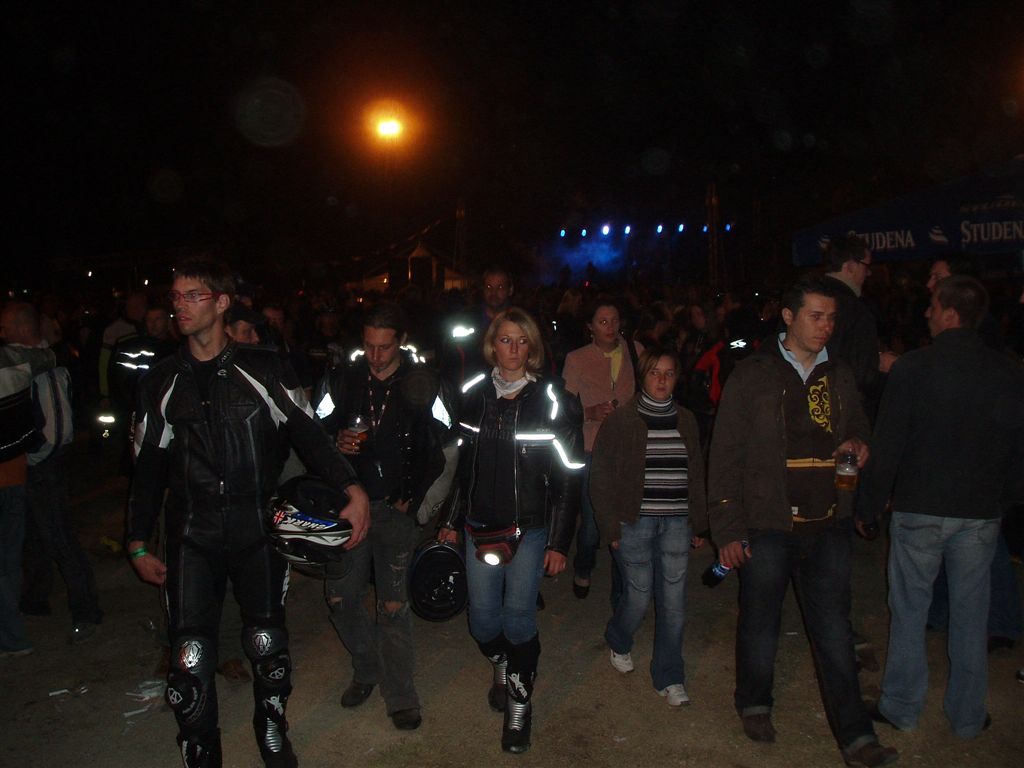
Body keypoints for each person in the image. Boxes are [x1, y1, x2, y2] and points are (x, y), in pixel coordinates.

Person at [126, 256, 370, 768]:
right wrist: (137, 541)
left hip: (256, 524)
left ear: (221, 303)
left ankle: (272, 727)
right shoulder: (161, 379)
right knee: (190, 655)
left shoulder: (264, 367)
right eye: (175, 296)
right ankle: (200, 747)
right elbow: (147, 467)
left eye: (193, 295)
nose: (180, 306)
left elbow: (308, 432)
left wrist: (351, 487)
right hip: (191, 530)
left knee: (266, 640)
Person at [708, 276, 897, 767]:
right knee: (760, 621)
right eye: (816, 316)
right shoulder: (754, 374)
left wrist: (859, 443)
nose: (825, 326)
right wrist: (727, 528)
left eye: (831, 317)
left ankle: (856, 738)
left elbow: (858, 424)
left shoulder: (839, 374)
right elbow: (724, 455)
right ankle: (754, 701)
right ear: (788, 316)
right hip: (769, 522)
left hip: (828, 520)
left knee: (834, 629)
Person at [857, 275, 1024, 740]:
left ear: (950, 313)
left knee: (910, 609)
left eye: (933, 304)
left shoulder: (915, 367)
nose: (926, 312)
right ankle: (967, 714)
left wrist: (869, 504)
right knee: (972, 614)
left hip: (921, 508)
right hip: (979, 512)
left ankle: (901, 706)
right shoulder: (1007, 371)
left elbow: (889, 443)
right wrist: (1003, 499)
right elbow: (1018, 447)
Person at [437, 307, 582, 754]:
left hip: (530, 529)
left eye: (522, 340)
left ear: (532, 346)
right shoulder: (473, 394)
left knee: (519, 620)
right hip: (478, 525)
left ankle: (520, 705)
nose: (514, 348)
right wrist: (450, 522)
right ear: (492, 345)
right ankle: (501, 661)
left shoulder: (552, 399)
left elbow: (569, 477)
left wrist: (559, 542)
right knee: (482, 621)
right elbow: (461, 469)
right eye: (505, 340)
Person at [313, 302, 450, 731]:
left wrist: (416, 497)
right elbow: (313, 429)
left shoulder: (423, 380)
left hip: (396, 508)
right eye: (369, 345)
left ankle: (401, 694)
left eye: (384, 347)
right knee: (340, 598)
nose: (375, 356)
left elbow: (446, 440)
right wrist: (335, 440)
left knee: (393, 606)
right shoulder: (344, 377)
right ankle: (367, 667)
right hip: (349, 507)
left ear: (401, 342)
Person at [589, 346, 706, 707]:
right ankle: (619, 636)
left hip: (676, 522)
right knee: (638, 595)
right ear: (642, 376)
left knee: (673, 602)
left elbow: (696, 471)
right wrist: (610, 526)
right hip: (634, 522)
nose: (662, 380)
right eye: (655, 372)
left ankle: (669, 675)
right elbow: (601, 476)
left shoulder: (686, 419)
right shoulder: (622, 421)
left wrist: (699, 521)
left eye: (669, 373)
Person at [2, 302, 102, 642]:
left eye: (5, 326)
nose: (2, 332)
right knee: (36, 536)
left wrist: (36, 453)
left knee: (59, 537)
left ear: (21, 328)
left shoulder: (34, 363)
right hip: (45, 459)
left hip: (41, 462)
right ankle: (36, 599)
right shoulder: (49, 360)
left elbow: (52, 423)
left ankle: (86, 609)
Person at [561, 296, 641, 599]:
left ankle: (624, 584)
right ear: (590, 326)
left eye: (614, 320)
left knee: (626, 518)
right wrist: (589, 412)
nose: (610, 327)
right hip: (592, 447)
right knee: (593, 521)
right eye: (603, 321)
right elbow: (564, 409)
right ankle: (583, 565)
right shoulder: (577, 358)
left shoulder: (635, 351)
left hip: (627, 447)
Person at [0, 326, 56, 658]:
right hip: (14, 474)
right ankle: (13, 632)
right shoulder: (14, 361)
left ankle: (11, 636)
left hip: (10, 476)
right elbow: (49, 356)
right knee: (9, 559)